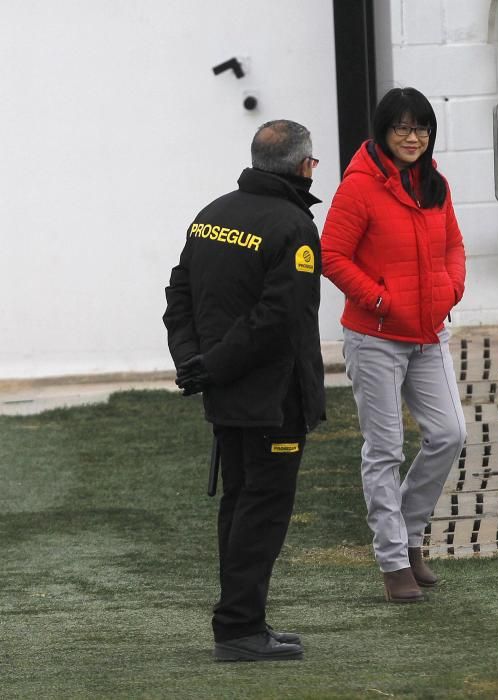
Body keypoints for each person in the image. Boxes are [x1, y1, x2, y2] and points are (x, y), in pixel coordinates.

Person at [163, 119, 325, 660]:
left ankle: (243, 622)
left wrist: (196, 362)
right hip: (272, 398)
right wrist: (213, 364)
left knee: (238, 504)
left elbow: (178, 295)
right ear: (306, 166)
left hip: (227, 394)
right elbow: (279, 320)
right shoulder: (293, 226)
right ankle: (238, 629)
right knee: (262, 510)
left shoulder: (211, 215)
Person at [321, 87, 467, 603]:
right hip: (375, 337)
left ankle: (408, 538)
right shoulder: (359, 188)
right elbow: (332, 255)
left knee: (451, 433)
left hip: (429, 335)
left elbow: (453, 245)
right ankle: (392, 560)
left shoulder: (436, 185)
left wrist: (452, 288)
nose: (413, 137)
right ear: (383, 132)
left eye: (422, 128)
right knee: (383, 450)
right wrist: (379, 301)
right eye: (403, 128)